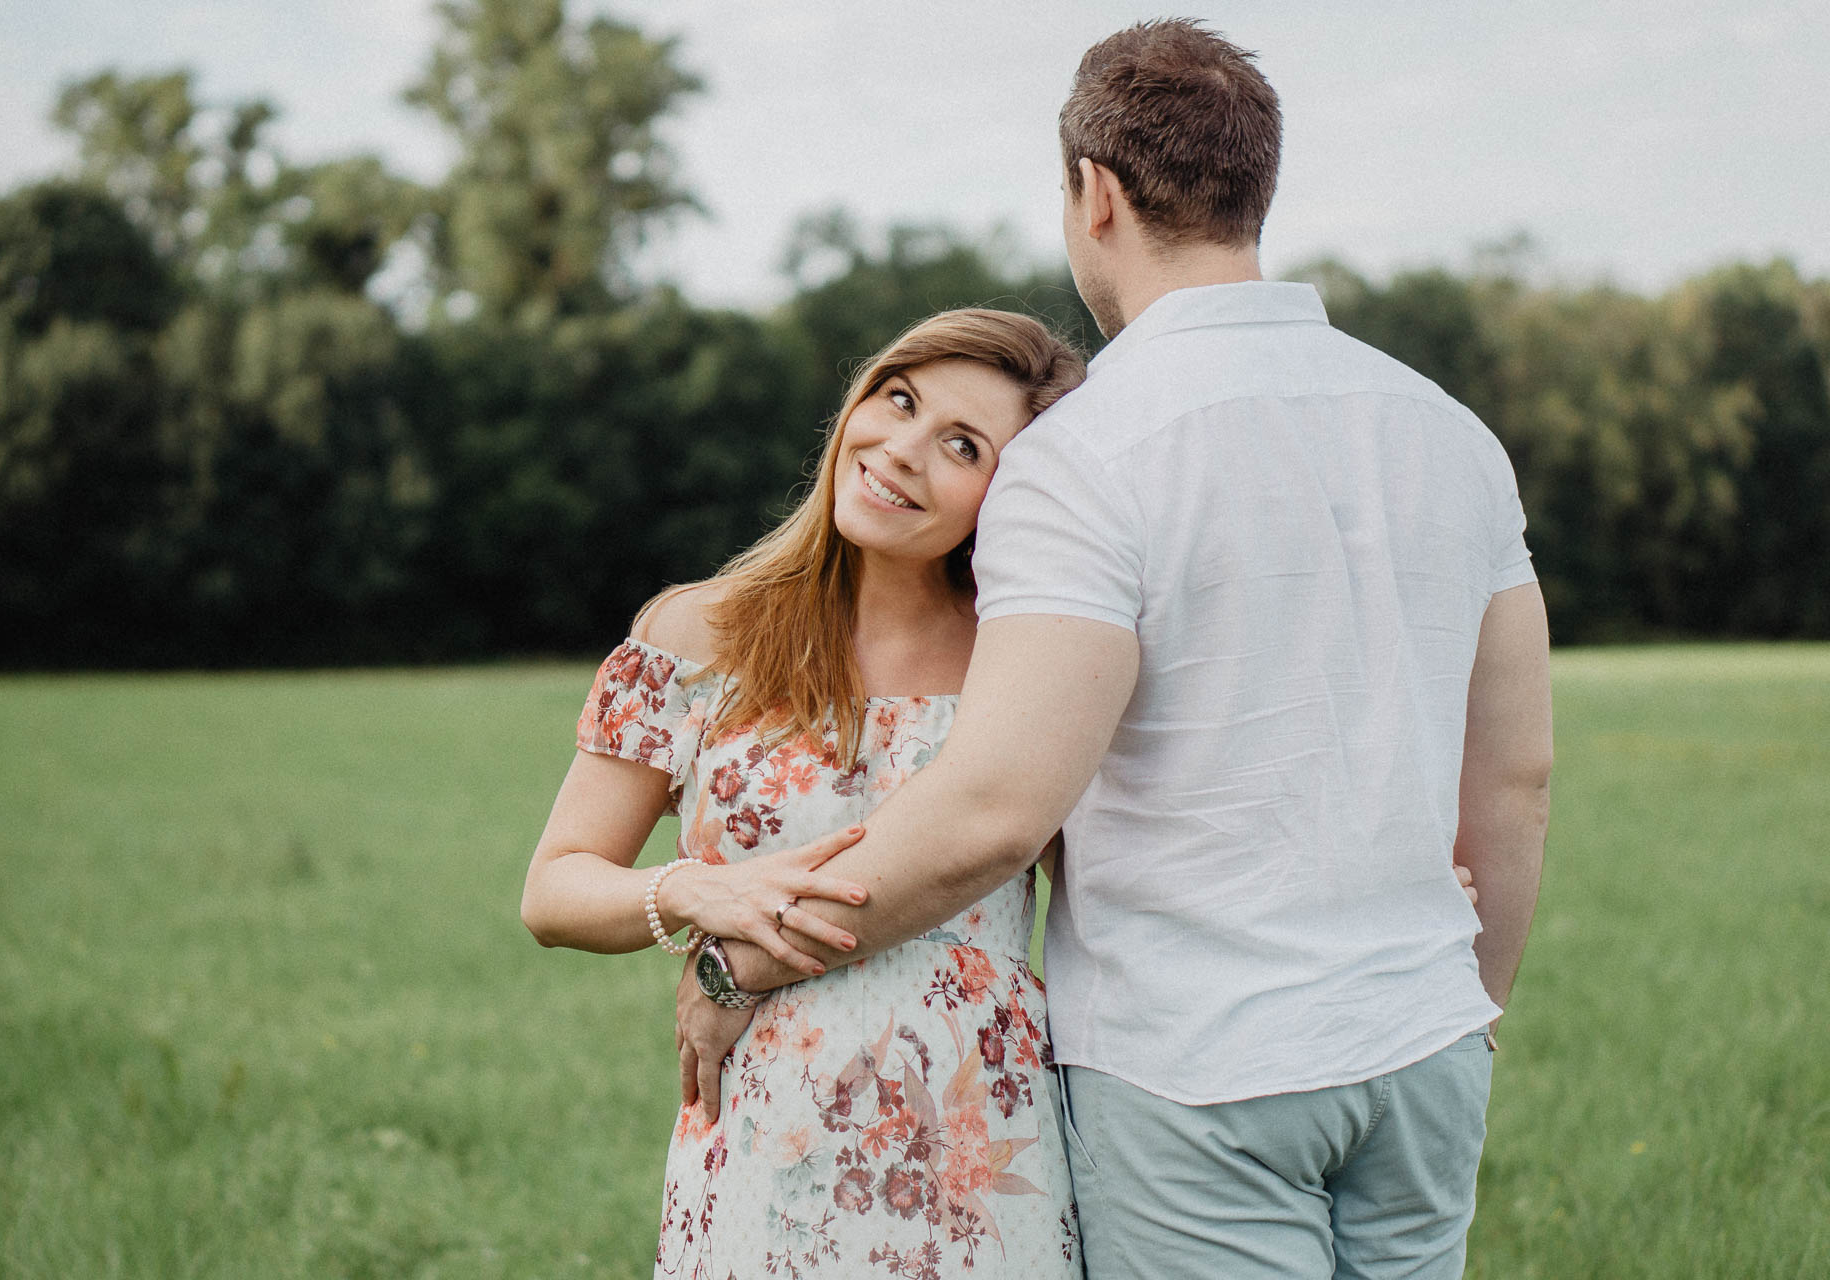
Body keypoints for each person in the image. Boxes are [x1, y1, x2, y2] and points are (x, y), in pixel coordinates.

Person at [673, 18, 1552, 1280]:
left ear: (1095, 194)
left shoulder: (1086, 454)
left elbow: (992, 812)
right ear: (1255, 190)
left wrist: (740, 959)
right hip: (1424, 1046)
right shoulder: (1449, 434)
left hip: (1195, 1072)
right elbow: (1514, 776)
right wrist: (1473, 1010)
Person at [520, 310, 1091, 1277]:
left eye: (963, 446)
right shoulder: (699, 634)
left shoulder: (1025, 657)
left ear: (1013, 494)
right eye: (898, 401)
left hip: (977, 1146)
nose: (902, 450)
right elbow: (554, 888)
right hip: (762, 1128)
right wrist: (694, 891)